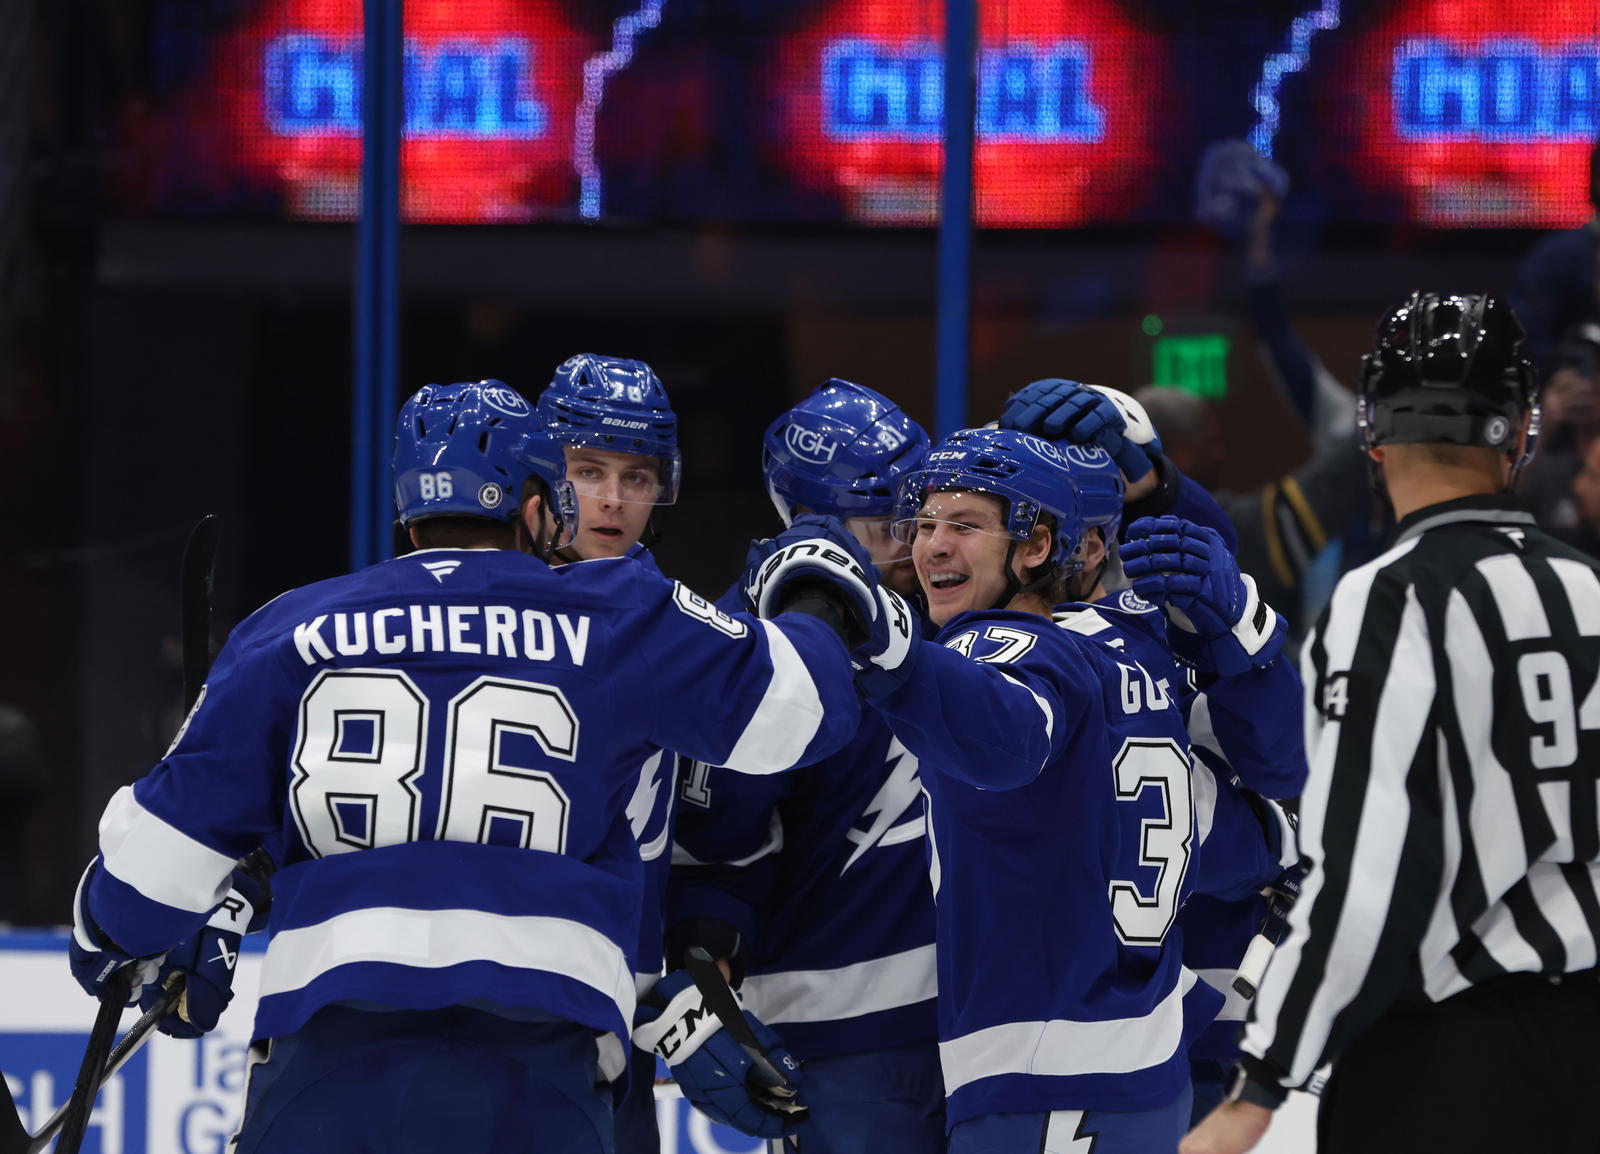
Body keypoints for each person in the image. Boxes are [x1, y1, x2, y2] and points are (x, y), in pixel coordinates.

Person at [66, 378, 865, 1154]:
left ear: (410, 517)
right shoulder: (621, 616)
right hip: (543, 1060)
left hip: (327, 1056)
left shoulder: (290, 630)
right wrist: (815, 596)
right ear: (532, 507)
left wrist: (111, 931)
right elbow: (802, 712)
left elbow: (146, 878)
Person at [1182, 293, 1600, 1154]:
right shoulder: (1590, 588)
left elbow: (1369, 871)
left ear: (1370, 435)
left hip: (1449, 1064)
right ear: (1521, 431)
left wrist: (1259, 1084)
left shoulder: (1391, 598)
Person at [743, 425, 1223, 1152]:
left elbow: (1006, 735)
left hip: (1043, 1074)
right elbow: (1226, 823)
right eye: (924, 523)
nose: (931, 545)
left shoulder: (1002, 644)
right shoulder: (1133, 653)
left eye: (964, 525)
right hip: (1141, 1068)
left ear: (1036, 548)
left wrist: (884, 644)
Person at [667, 379, 947, 1154]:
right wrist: (705, 957)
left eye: (917, 509)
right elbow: (713, 857)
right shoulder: (748, 644)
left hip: (984, 1024)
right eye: (887, 520)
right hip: (842, 1040)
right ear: (816, 521)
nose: (913, 540)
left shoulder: (956, 600)